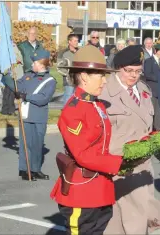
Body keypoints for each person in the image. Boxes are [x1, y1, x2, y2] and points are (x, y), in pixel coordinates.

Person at [99, 45, 160, 234]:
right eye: (129, 71)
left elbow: (146, 123)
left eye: (138, 71)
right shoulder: (104, 92)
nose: (134, 75)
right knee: (134, 215)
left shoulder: (142, 88)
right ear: (118, 68)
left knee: (126, 215)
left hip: (144, 164)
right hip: (121, 163)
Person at [50, 45, 128, 235]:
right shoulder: (74, 110)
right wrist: (120, 163)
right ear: (84, 76)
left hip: (99, 188)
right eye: (100, 75)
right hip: (82, 192)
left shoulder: (95, 103)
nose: (104, 80)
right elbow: (83, 155)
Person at [5, 50, 56, 181]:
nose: (32, 64)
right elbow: (16, 86)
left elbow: (43, 99)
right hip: (26, 115)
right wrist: (6, 74)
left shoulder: (50, 80)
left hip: (39, 116)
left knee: (37, 144)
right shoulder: (28, 76)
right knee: (25, 143)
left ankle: (36, 169)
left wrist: (25, 96)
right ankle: (24, 170)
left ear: (40, 64)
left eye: (34, 62)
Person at [143, 43, 160, 131]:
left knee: (158, 112)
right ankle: (150, 129)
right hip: (152, 90)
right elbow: (147, 74)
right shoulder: (149, 61)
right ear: (155, 51)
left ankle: (157, 129)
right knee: (152, 111)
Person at [57, 34, 79, 106]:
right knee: (68, 98)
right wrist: (68, 74)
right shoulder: (63, 53)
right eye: (75, 41)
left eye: (77, 41)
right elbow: (59, 67)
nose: (76, 42)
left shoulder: (80, 52)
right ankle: (65, 114)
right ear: (69, 42)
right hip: (69, 81)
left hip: (79, 80)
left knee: (77, 99)